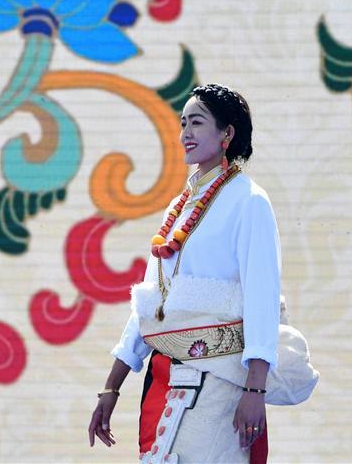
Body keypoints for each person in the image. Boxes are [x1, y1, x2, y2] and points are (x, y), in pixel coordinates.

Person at [88, 83, 281, 463]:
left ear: (227, 133)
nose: (185, 134)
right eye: (183, 123)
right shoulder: (178, 208)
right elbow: (150, 302)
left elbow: (263, 298)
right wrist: (111, 388)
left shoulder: (249, 201)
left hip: (219, 380)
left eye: (197, 122)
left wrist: (255, 391)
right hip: (162, 381)